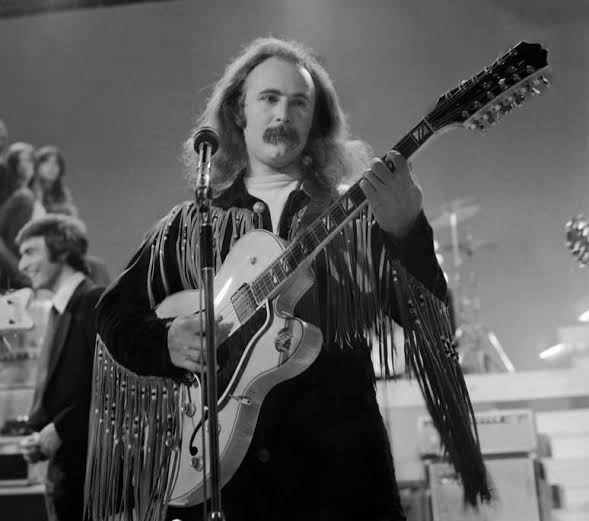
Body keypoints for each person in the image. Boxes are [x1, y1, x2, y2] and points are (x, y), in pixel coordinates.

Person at [87, 37, 489, 521]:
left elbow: (434, 319)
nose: (284, 113)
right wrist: (166, 341)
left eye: (299, 102)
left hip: (342, 482)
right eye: (269, 98)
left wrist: (407, 231)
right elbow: (112, 313)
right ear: (238, 112)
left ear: (317, 119)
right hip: (226, 483)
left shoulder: (357, 213)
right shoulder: (192, 225)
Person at [17, 214, 104, 521]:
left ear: (62, 249)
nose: (21, 265)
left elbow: (108, 387)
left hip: (88, 478)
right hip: (65, 475)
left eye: (31, 252)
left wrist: (60, 429)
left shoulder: (93, 300)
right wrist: (39, 435)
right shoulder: (61, 308)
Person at [32, 145, 111, 286]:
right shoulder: (30, 193)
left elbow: (74, 223)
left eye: (56, 164)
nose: (51, 167)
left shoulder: (63, 195)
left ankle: (103, 299)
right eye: (47, 162)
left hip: (63, 245)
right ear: (37, 166)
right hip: (43, 246)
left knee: (98, 267)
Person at [0, 141, 41, 289]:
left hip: (36, 250)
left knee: (95, 266)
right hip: (16, 254)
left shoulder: (36, 195)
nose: (28, 165)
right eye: (22, 160)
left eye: (30, 160)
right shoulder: (19, 196)